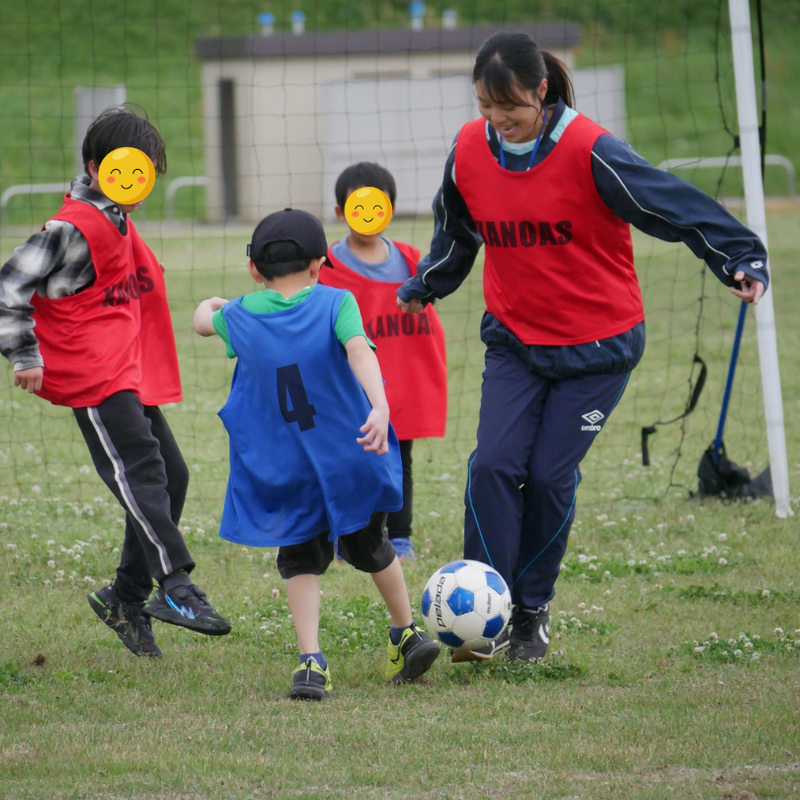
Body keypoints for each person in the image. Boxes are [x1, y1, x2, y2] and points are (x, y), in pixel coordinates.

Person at [397, 32, 768, 664]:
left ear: (541, 90)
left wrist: (738, 256)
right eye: (486, 106)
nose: (497, 119)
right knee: (492, 466)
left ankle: (531, 613)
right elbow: (457, 230)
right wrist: (427, 284)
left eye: (509, 105)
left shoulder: (592, 150)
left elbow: (671, 206)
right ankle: (485, 615)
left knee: (547, 476)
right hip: (514, 338)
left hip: (598, 347)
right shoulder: (468, 150)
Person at [0, 105, 231, 658]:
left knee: (172, 473)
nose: (139, 183)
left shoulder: (116, 217)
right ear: (94, 165)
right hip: (93, 375)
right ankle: (174, 584)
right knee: (140, 470)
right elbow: (9, 284)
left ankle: (125, 598)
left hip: (122, 369)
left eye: (147, 171)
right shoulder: (69, 228)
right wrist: (24, 353)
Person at [193, 208, 439, 699]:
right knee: (373, 545)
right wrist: (381, 404)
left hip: (288, 469)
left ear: (254, 270)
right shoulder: (336, 302)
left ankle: (311, 661)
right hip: (349, 455)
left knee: (301, 559)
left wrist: (217, 305)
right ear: (319, 264)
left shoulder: (241, 316)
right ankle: (406, 633)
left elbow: (202, 321)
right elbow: (359, 350)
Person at [319, 162, 448, 562]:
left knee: (398, 460)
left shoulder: (413, 262)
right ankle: (344, 536)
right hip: (349, 389)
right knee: (347, 461)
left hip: (401, 385)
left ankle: (401, 536)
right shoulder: (326, 266)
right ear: (341, 212)